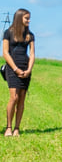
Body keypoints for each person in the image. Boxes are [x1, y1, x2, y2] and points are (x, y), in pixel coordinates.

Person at [3, 8, 35, 137]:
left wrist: (29, 69)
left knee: (22, 98)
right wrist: (16, 69)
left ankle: (17, 128)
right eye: (26, 18)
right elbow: (5, 52)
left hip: (25, 67)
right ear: (19, 18)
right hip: (12, 68)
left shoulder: (30, 35)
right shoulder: (8, 33)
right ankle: (9, 127)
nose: (29, 20)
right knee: (14, 97)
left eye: (29, 18)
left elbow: (32, 53)